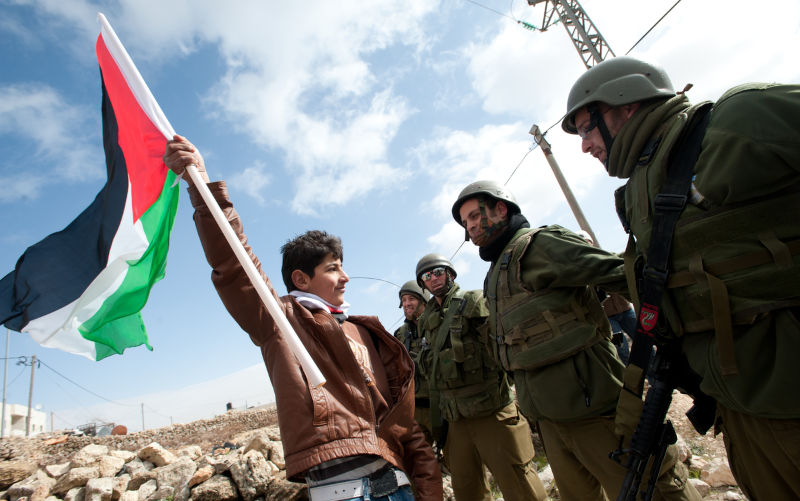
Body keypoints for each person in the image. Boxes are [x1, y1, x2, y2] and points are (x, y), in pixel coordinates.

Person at [562, 55, 800, 500]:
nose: (585, 146)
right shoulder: (642, 185)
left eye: (586, 128)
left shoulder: (736, 120)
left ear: (625, 104)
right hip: (740, 405)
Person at [163, 135, 442, 501]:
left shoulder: (366, 333)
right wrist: (202, 185)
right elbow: (234, 263)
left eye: (343, 267)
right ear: (301, 279)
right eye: (333, 268)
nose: (345, 277)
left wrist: (429, 490)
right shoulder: (280, 322)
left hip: (400, 487)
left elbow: (405, 428)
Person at [452, 181, 701, 501]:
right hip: (550, 424)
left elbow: (626, 277)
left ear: (501, 209)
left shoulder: (540, 245)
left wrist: (684, 340)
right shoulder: (495, 274)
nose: (470, 227)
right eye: (465, 222)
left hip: (598, 415)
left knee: (651, 493)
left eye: (475, 216)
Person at [414, 254, 546, 501]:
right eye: (427, 276)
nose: (433, 279)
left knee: (519, 484)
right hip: (455, 419)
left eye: (438, 272)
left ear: (450, 274)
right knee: (467, 489)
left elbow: (502, 349)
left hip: (491, 410)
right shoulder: (426, 321)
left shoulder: (473, 302)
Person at [576, 229, 635, 364]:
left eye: (587, 242)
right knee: (622, 349)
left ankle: (654, 375)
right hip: (608, 318)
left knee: (644, 341)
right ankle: (633, 374)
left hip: (626, 311)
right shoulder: (582, 269)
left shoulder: (607, 258)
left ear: (591, 243)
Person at [393, 280, 434, 446]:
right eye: (403, 300)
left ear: (424, 301)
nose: (406, 304)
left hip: (440, 406)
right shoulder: (400, 335)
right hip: (414, 409)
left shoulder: (437, 326)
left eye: (411, 299)